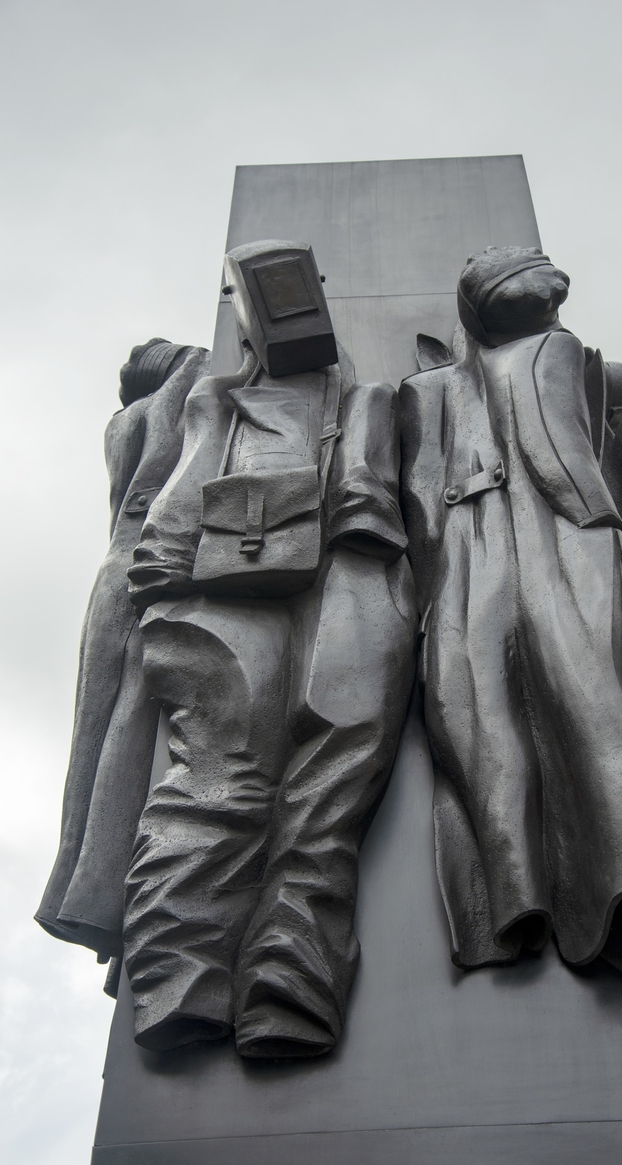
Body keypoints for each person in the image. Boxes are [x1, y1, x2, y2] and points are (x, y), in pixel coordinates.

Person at [399, 245, 622, 1004]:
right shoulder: (437, 392)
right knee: (500, 720)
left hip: (586, 558)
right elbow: (425, 497)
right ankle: (542, 888)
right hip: (491, 556)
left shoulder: (582, 394)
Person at [124, 240, 416, 1057]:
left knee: (333, 782)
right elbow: (183, 484)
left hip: (349, 568)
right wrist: (165, 561)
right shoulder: (216, 396)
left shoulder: (365, 399)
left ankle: (290, 984)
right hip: (222, 578)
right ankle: (180, 978)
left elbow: (374, 491)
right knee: (216, 777)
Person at [35, 339, 209, 974]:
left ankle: (92, 892)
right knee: (127, 724)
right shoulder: (146, 415)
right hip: (141, 567)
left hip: (119, 571)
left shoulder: (124, 421)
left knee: (105, 731)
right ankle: (94, 894)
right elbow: (196, 374)